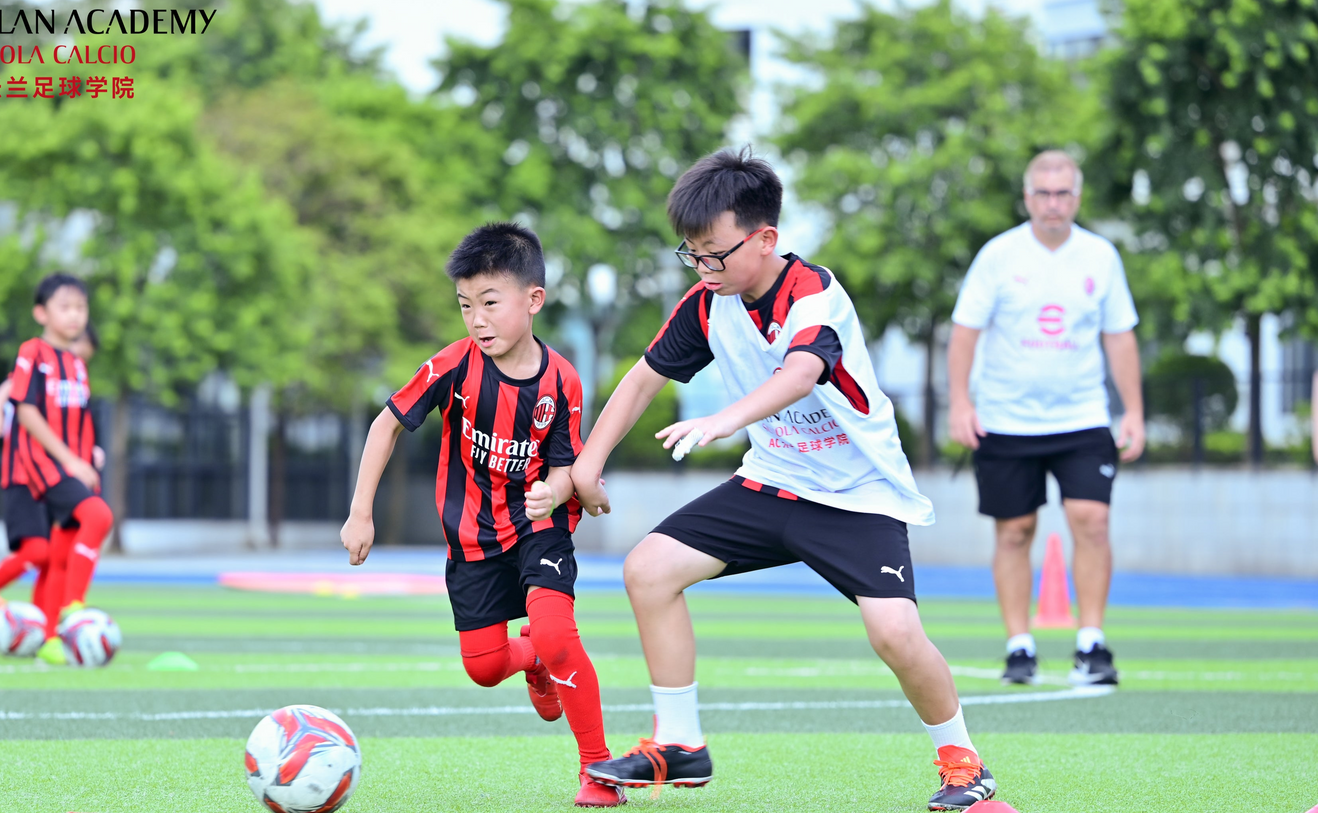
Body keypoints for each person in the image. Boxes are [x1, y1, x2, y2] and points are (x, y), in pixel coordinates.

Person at [571, 148, 996, 811]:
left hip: (857, 494)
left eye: (714, 253)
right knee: (647, 568)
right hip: (772, 482)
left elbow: (800, 372)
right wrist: (587, 463)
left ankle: (963, 765)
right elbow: (643, 376)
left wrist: (723, 419)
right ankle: (680, 742)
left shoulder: (812, 295)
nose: (703, 268)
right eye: (691, 254)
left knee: (894, 634)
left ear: (765, 238)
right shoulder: (707, 301)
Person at [339, 222, 623, 808]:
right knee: (486, 667)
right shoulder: (453, 365)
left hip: (541, 527)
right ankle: (535, 663)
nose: (477, 319)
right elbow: (385, 423)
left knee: (555, 630)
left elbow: (571, 462)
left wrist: (558, 487)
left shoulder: (562, 379)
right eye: (466, 306)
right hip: (470, 538)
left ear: (533, 300)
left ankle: (598, 771)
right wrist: (359, 511)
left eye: (490, 303)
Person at [947, 150, 1144, 687]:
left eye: (1063, 193)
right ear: (1027, 198)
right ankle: (1019, 646)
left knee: (1092, 521)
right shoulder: (998, 255)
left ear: (1077, 198)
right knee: (1015, 531)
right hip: (1006, 420)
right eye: (1043, 193)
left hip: (1082, 418)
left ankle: (1091, 644)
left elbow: (1119, 335)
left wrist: (1134, 411)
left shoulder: (1100, 257)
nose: (1053, 203)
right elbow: (964, 331)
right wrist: (960, 403)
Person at [0, 275, 113, 665]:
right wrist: (70, 459)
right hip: (36, 472)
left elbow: (78, 417)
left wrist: (88, 453)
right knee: (90, 520)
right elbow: (22, 403)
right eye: (66, 307)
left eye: (81, 308)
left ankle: (48, 638)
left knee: (55, 555)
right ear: (42, 312)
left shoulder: (76, 364)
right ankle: (70, 608)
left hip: (65, 468)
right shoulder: (34, 352)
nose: (76, 315)